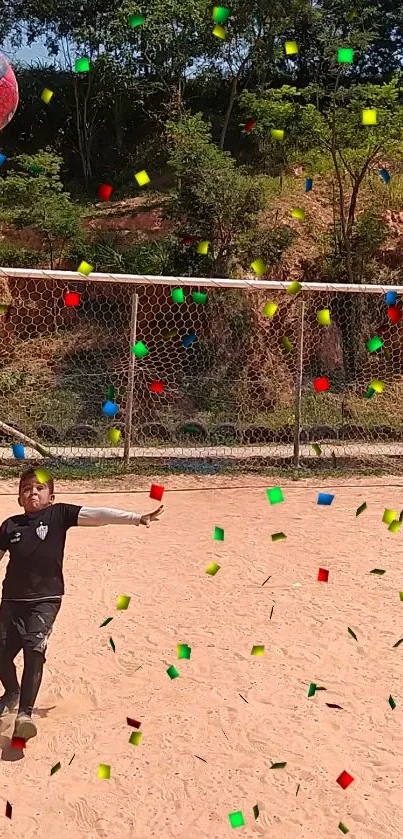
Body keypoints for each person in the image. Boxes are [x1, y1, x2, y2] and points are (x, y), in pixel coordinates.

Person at [0, 465, 164, 743]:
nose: (33, 493)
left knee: (33, 649)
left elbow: (98, 514)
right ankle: (12, 692)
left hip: (45, 600)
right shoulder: (10, 525)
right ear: (18, 498)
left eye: (40, 488)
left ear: (51, 496)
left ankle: (24, 716)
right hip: (12, 600)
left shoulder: (59, 514)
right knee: (1, 654)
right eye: (26, 489)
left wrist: (136, 518)